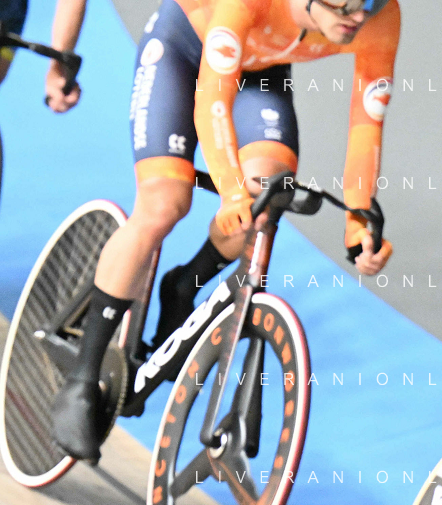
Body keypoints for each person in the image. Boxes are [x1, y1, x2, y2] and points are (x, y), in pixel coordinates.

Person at [49, 0, 399, 461]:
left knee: (265, 199)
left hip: (260, 71)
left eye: (371, 3)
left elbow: (366, 126)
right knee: (164, 205)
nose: (359, 16)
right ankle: (82, 378)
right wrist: (231, 191)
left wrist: (359, 218)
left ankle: (185, 283)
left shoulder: (379, 18)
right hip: (183, 51)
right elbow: (211, 101)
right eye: (347, 4)